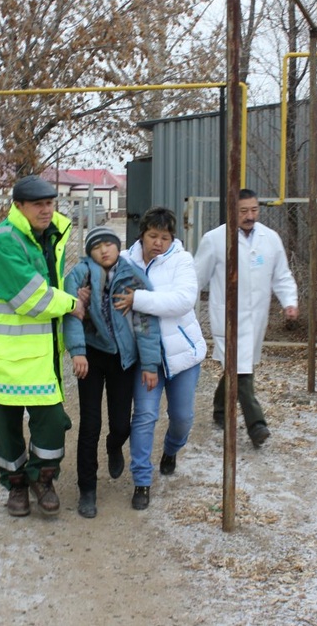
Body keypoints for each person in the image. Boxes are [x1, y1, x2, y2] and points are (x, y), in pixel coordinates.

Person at [0, 174, 86, 517]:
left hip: (40, 354)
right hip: (4, 356)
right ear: (18, 206)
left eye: (50, 203)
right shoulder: (5, 242)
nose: (46, 210)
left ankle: (43, 478)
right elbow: (30, 296)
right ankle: (16, 486)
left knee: (52, 422)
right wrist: (71, 304)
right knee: (6, 428)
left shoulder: (49, 234)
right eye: (38, 204)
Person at [63, 226, 161, 518]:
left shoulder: (133, 275)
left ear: (118, 247)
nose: (104, 250)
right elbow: (72, 314)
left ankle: (114, 444)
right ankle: (87, 490)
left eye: (109, 244)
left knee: (121, 423)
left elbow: (145, 321)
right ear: (89, 252)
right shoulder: (79, 275)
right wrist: (78, 351)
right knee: (90, 424)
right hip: (91, 356)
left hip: (123, 357)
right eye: (97, 247)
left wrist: (149, 364)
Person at [114, 206, 207, 510]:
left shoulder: (182, 260)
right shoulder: (125, 261)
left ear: (172, 238)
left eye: (164, 237)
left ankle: (171, 450)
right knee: (144, 417)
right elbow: (111, 296)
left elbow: (183, 301)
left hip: (182, 355)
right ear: (141, 235)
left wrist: (138, 299)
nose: (158, 242)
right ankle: (142, 481)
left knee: (182, 418)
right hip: (146, 357)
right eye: (153, 235)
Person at [194, 188, 299, 448]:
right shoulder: (215, 239)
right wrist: (182, 308)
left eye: (254, 210)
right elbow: (197, 277)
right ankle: (257, 425)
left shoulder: (270, 239)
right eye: (243, 211)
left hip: (255, 319)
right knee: (241, 371)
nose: (250, 215)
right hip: (226, 319)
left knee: (236, 367)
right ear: (232, 211)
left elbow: (282, 275)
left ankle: (220, 410)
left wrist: (290, 302)